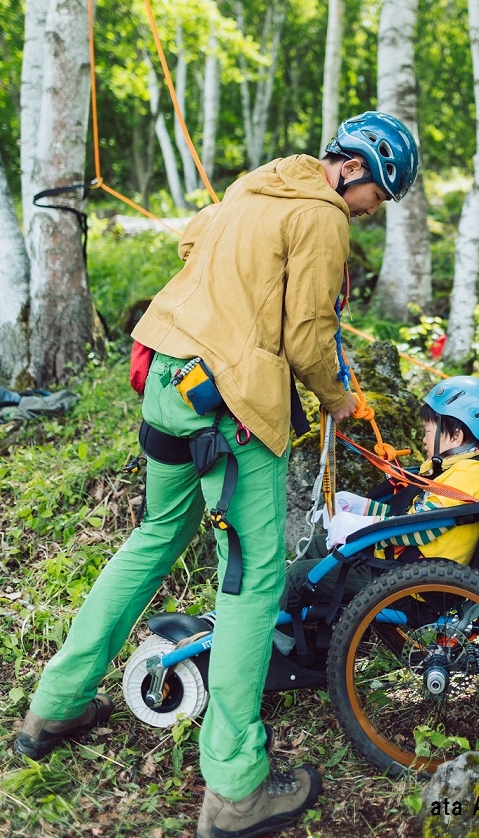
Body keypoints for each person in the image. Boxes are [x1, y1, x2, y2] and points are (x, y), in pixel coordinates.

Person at [14, 112, 419, 838]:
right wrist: (339, 400)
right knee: (253, 576)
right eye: (380, 196)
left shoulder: (260, 185)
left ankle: (58, 701)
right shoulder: (324, 218)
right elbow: (305, 337)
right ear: (357, 170)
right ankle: (236, 787)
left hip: (167, 377)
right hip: (228, 404)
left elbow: (192, 236)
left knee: (156, 534)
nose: (373, 211)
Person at [280, 375, 479, 618]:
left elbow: (420, 528)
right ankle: (302, 635)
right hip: (398, 563)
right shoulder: (454, 467)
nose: (423, 440)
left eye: (428, 432)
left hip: (408, 581)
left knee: (298, 578)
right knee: (316, 544)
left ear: (455, 436)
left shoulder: (469, 475)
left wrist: (362, 528)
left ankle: (276, 645)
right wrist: (362, 508)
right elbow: (413, 515)